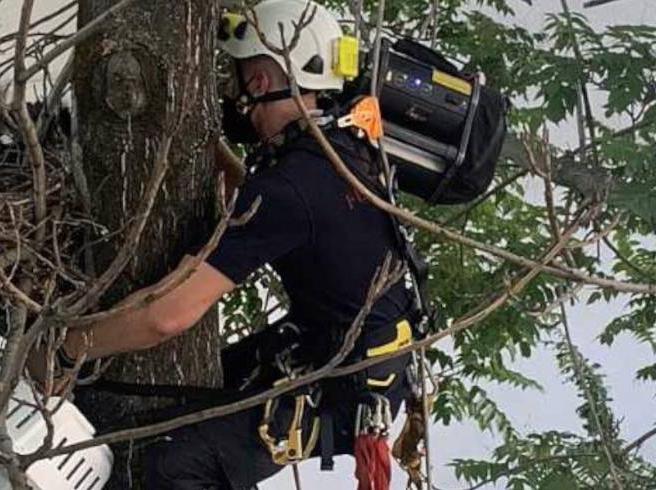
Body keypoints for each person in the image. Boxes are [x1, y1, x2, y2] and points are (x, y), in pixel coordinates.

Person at [33, 1, 418, 487]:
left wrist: (67, 349)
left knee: (168, 465)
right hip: (343, 351)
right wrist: (207, 148)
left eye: (235, 78)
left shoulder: (292, 188)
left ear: (258, 80)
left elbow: (166, 316)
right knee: (171, 393)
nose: (231, 92)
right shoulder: (341, 147)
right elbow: (272, 212)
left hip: (340, 393)